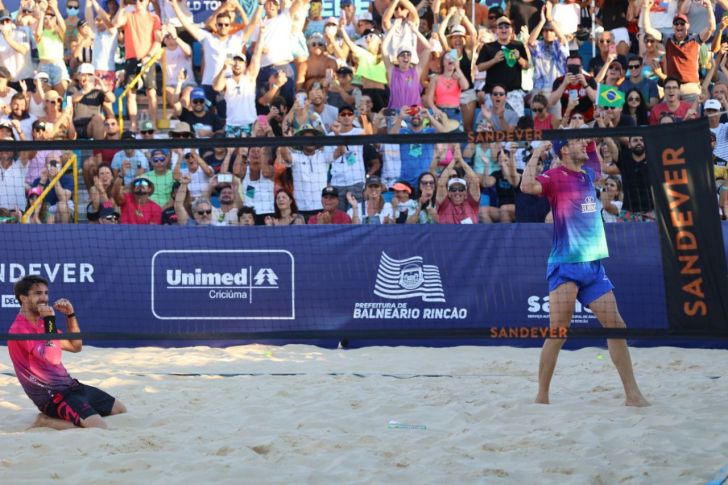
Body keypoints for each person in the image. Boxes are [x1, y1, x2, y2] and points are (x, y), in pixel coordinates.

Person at [520, 138, 650, 407]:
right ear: (564, 149)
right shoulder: (555, 176)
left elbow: (599, 166)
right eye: (578, 142)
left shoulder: (589, 174)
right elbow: (525, 186)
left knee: (617, 327)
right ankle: (541, 395)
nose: (585, 146)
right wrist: (536, 153)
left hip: (593, 266)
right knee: (558, 332)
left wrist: (594, 133)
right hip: (566, 264)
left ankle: (633, 395)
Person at [8, 275, 127, 429]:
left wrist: (70, 315)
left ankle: (74, 414)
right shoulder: (20, 329)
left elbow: (75, 346)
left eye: (46, 293)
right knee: (99, 427)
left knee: (119, 409)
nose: (44, 298)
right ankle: (45, 421)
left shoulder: (41, 323)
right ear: (23, 298)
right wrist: (50, 320)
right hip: (52, 396)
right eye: (38, 294)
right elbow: (53, 358)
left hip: (71, 387)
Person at [643, 1, 715, 103]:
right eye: (676, 23)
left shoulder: (695, 39)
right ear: (673, 26)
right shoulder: (668, 39)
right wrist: (646, 9)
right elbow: (647, 30)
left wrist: (708, 8)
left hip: (690, 87)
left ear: (688, 25)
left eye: (682, 23)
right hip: (672, 87)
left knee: (692, 118)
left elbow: (711, 28)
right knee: (666, 117)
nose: (679, 25)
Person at [114, 0, 162, 131]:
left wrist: (149, 55)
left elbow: (158, 41)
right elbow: (116, 23)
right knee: (130, 93)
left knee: (151, 92)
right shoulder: (129, 15)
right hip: (131, 58)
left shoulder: (154, 18)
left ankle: (153, 124)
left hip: (148, 58)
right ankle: (133, 125)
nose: (139, 2)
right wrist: (122, 8)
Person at [436, 152, 481, 224]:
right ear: (449, 193)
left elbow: (475, 181)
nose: (457, 192)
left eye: (460, 189)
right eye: (453, 189)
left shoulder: (471, 203)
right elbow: (441, 183)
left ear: (465, 192)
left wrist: (460, 160)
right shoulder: (444, 204)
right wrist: (454, 160)